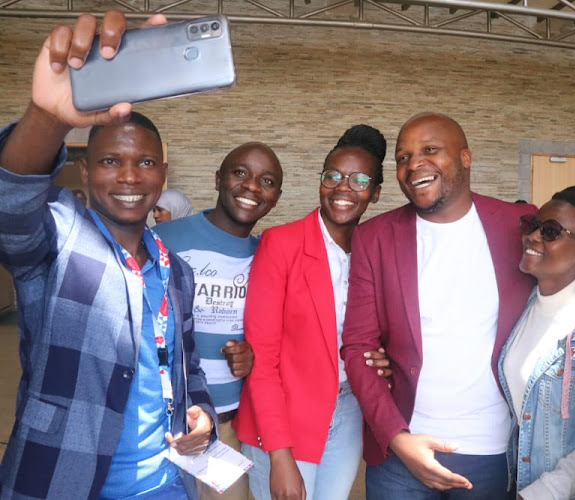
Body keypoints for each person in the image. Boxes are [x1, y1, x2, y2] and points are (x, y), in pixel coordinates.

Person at [0, 11, 216, 499]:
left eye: (143, 162)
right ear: (84, 170)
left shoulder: (175, 270)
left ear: (162, 174)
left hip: (167, 483)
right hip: (63, 479)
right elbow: (9, 204)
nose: (129, 177)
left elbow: (189, 368)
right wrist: (49, 118)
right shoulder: (58, 236)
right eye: (110, 161)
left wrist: (201, 414)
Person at [341, 112, 537, 499]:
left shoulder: (518, 224)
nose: (414, 164)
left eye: (430, 150)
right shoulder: (374, 238)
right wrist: (396, 437)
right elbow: (358, 345)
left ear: (465, 158)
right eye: (402, 157)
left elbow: (568, 282)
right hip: (403, 449)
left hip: (491, 450)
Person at [234, 124, 387, 500]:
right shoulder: (281, 244)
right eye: (332, 176)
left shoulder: (372, 251)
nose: (342, 188)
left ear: (376, 192)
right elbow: (263, 358)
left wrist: (384, 357)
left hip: (348, 410)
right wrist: (280, 455)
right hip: (285, 416)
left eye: (358, 179)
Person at [153, 142, 283, 500]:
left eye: (267, 180)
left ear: (276, 197)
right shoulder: (167, 238)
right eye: (240, 172)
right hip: (164, 423)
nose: (253, 186)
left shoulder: (268, 255)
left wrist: (252, 352)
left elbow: (275, 330)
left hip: (227, 425)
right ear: (218, 179)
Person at [498, 189, 575, 499]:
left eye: (551, 231)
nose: (533, 236)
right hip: (515, 482)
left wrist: (543, 492)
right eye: (533, 224)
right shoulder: (523, 304)